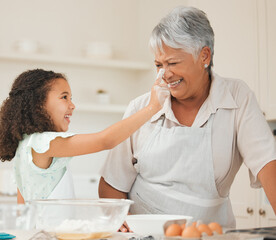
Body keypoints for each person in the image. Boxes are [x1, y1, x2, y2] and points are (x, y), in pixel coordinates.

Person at [98, 6, 276, 229]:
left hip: (210, 233)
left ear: (204, 56)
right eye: (158, 65)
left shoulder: (237, 97)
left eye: (172, 63)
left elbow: (268, 164)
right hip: (143, 234)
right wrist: (120, 222)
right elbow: (111, 184)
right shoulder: (140, 108)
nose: (165, 74)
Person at [0, 68, 162, 203]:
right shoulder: (43, 143)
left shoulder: (27, 144)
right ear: (38, 105)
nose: (72, 105)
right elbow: (105, 141)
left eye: (71, 98)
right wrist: (152, 107)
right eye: (64, 97)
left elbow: (23, 206)